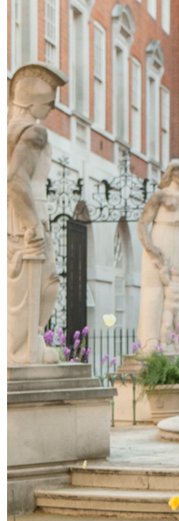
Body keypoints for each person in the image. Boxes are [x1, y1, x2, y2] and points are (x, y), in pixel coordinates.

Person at [8, 63, 66, 365]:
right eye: (49, 102)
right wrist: (34, 225)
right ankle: (28, 345)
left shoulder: (10, 128)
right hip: (29, 214)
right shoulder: (34, 131)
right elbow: (16, 179)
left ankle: (24, 344)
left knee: (20, 282)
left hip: (14, 213)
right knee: (45, 282)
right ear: (32, 102)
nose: (52, 108)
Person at [135, 160, 179, 353]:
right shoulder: (160, 195)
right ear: (170, 172)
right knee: (154, 292)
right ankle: (150, 340)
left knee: (173, 294)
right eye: (177, 170)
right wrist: (152, 249)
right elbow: (143, 224)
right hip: (161, 238)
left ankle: (169, 340)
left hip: (178, 240)